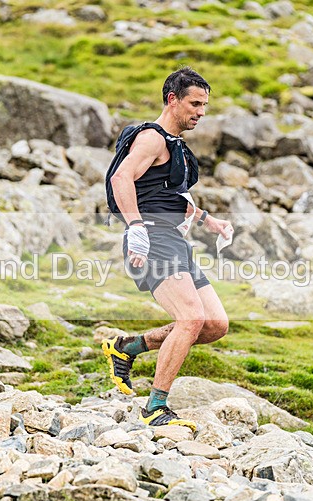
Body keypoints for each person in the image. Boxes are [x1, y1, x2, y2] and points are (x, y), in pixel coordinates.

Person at [102, 67, 232, 431]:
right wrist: (137, 227)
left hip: (175, 241)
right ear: (172, 99)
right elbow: (120, 178)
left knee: (214, 325)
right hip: (153, 239)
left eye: (205, 105)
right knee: (190, 319)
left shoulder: (175, 144)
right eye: (195, 103)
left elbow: (168, 193)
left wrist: (210, 221)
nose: (201, 112)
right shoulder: (152, 138)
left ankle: (126, 349)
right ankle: (155, 408)